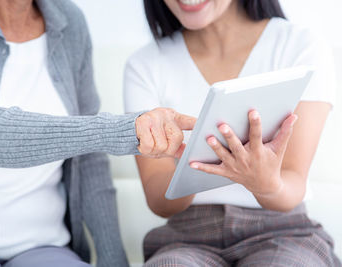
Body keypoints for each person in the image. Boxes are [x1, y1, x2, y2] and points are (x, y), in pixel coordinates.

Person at [0, 0, 196, 267]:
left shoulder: (69, 21)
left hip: (44, 248)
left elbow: (89, 161)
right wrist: (117, 130)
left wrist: (113, 259)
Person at [124, 0, 341, 266]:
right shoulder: (145, 65)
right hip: (187, 237)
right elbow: (159, 202)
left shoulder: (299, 45)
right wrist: (193, 164)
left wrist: (266, 183)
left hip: (283, 233)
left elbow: (293, 182)